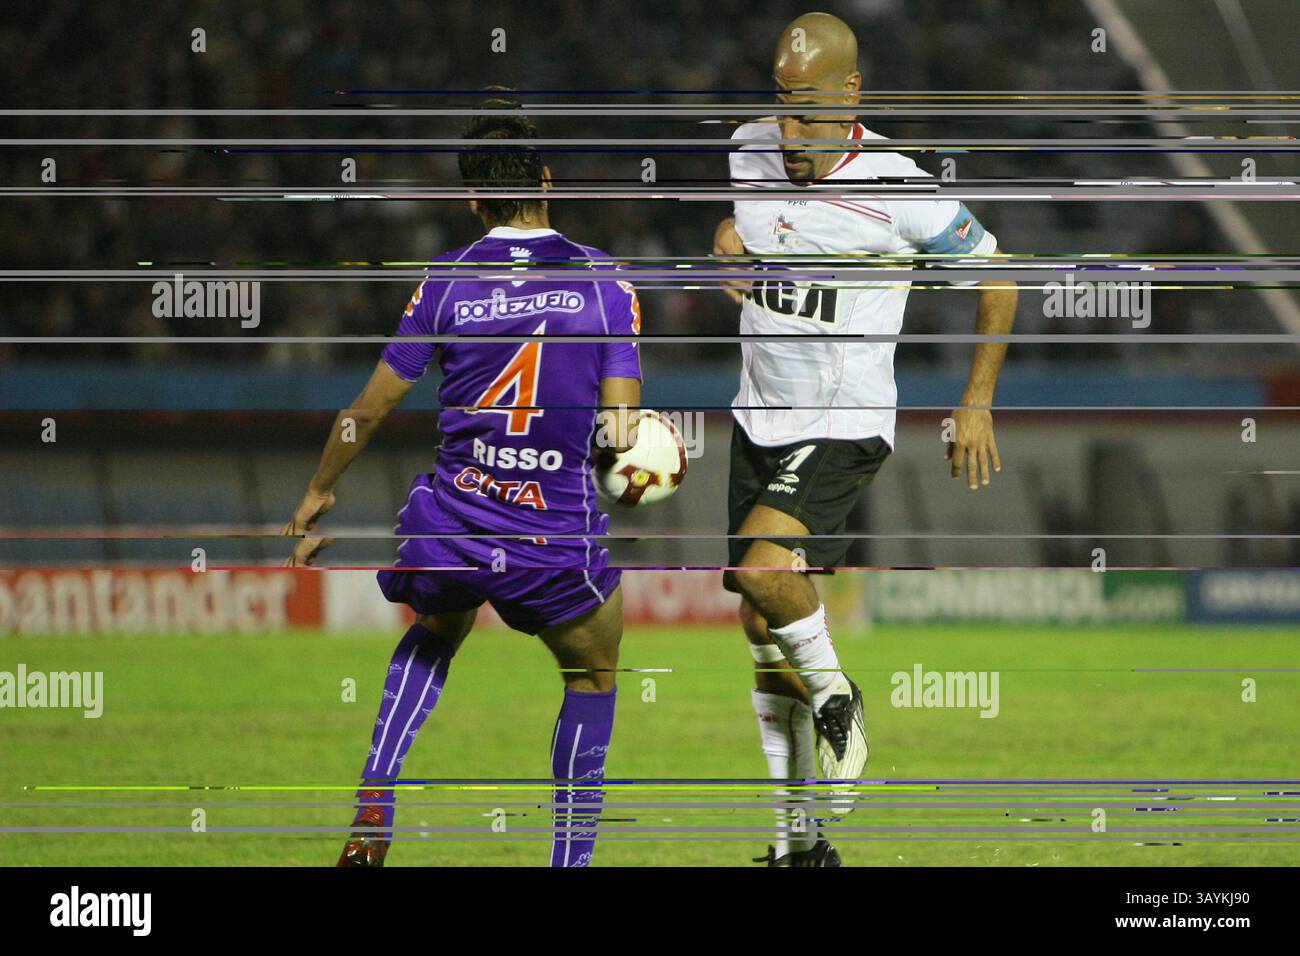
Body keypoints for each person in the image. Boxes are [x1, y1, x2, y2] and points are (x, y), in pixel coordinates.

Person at [284, 102, 643, 867]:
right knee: (593, 672)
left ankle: (375, 801)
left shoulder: (446, 282)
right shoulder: (607, 283)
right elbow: (620, 428)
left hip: (455, 518)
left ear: (474, 202)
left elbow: (370, 409)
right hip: (552, 531)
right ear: (547, 180)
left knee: (437, 629)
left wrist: (319, 489)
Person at [712, 12, 1018, 865]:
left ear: (851, 95)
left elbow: (1001, 280)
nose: (792, 131)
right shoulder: (747, 147)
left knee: (760, 573)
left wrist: (978, 401)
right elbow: (748, 230)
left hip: (842, 423)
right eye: (782, 108)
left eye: (809, 112)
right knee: (761, 628)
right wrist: (730, 241)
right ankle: (796, 846)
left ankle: (841, 693)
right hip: (756, 415)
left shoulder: (902, 188)